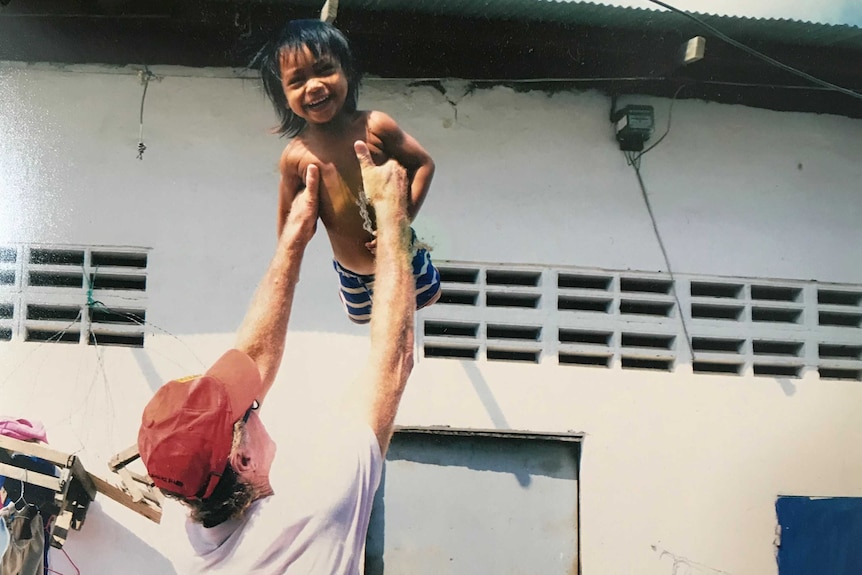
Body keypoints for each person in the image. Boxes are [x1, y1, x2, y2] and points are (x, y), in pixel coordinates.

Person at [137, 142, 417, 574]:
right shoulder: (321, 503)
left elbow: (253, 357)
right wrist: (392, 213)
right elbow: (393, 359)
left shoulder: (187, 541)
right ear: (244, 461)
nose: (254, 399)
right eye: (247, 410)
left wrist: (293, 240)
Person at [253, 19, 441, 324]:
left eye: (325, 70)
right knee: (372, 328)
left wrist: (399, 224)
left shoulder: (376, 127)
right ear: (283, 96)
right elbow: (290, 229)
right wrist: (288, 272)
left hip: (402, 253)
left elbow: (423, 164)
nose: (314, 86)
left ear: (347, 72)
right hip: (352, 273)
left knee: (416, 316)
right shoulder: (296, 158)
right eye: (297, 80)